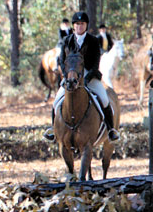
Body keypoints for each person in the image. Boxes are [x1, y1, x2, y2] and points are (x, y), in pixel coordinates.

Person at [43, 11, 119, 142]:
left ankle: (111, 130)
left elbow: (96, 63)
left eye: (82, 24)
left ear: (86, 25)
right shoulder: (67, 40)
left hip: (89, 76)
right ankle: (54, 130)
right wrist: (66, 76)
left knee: (104, 99)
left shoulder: (93, 41)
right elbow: (62, 61)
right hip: (70, 76)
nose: (79, 26)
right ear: (73, 26)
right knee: (56, 102)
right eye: (77, 24)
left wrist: (87, 78)